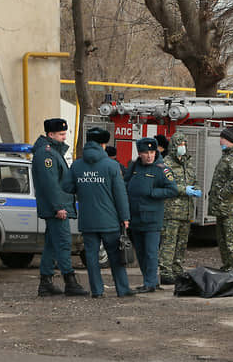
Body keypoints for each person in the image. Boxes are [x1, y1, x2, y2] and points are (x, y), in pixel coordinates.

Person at [62, 127, 135, 298]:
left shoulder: (77, 165)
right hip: (109, 220)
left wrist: (81, 188)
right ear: (103, 144)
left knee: (92, 258)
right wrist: (125, 217)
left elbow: (66, 186)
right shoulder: (111, 165)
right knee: (115, 256)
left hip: (87, 220)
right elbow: (120, 193)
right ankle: (122, 289)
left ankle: (97, 291)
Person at [31, 117, 86, 297]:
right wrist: (59, 207)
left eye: (65, 133)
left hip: (56, 207)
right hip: (56, 208)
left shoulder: (52, 152)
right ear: (51, 134)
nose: (64, 137)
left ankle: (45, 282)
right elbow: (50, 183)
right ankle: (70, 282)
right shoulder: (47, 154)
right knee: (63, 243)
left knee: (52, 245)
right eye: (61, 134)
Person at [126, 137, 178, 292]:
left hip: (152, 218)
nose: (149, 156)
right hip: (135, 216)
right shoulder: (135, 166)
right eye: (145, 153)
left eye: (151, 152)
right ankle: (150, 281)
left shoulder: (162, 169)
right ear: (139, 153)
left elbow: (172, 189)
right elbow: (125, 182)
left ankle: (150, 283)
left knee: (151, 252)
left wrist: (153, 192)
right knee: (141, 253)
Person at [159, 132, 202, 285]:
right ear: (174, 146)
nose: (182, 147)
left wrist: (196, 189)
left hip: (186, 211)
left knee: (182, 242)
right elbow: (167, 185)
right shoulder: (166, 164)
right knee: (169, 242)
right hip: (171, 211)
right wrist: (185, 189)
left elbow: (195, 180)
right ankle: (165, 271)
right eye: (180, 144)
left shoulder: (187, 164)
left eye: (184, 144)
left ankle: (177, 269)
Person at [207, 127, 233, 271]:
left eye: (222, 138)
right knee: (223, 239)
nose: (220, 141)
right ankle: (228, 266)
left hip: (231, 208)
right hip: (223, 208)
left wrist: (221, 194)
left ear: (228, 139)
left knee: (232, 240)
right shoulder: (227, 156)